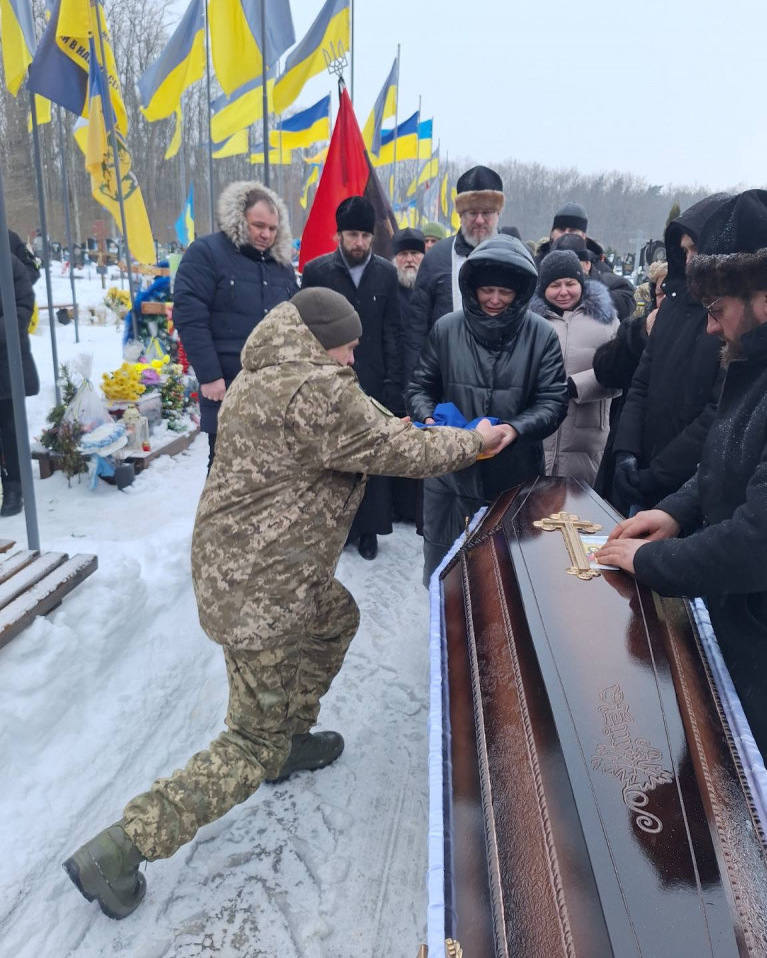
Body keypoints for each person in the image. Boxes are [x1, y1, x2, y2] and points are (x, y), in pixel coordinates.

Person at [63, 287, 507, 919]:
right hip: (265, 590)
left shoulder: (266, 371)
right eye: (349, 348)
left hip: (248, 572)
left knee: (336, 617)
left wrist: (400, 427)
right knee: (247, 743)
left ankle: (290, 735)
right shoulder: (318, 390)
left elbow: (367, 432)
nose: (353, 360)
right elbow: (399, 452)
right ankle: (121, 848)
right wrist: (477, 441)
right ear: (323, 343)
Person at [594, 189, 767, 847]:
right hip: (753, 644)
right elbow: (726, 460)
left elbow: (765, 541)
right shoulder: (761, 360)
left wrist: (650, 562)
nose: (707, 326)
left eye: (716, 308)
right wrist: (672, 513)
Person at [407, 234, 569, 584]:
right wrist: (431, 420)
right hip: (449, 475)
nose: (494, 300)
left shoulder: (541, 336)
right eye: (487, 290)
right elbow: (420, 386)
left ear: (521, 292)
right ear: (472, 287)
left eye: (505, 292)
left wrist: (514, 428)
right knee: (445, 572)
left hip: (513, 477)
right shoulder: (446, 329)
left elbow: (554, 401)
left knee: (504, 578)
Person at [611, 194, 731, 514]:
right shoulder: (672, 306)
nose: (690, 259)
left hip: (691, 491)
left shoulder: (733, 316)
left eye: (697, 249)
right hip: (642, 474)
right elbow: (641, 384)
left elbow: (718, 411)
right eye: (685, 251)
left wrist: (659, 473)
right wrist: (625, 452)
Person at [301, 196, 403, 561]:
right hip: (330, 380)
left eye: (364, 234)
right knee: (335, 457)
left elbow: (394, 330)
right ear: (338, 235)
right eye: (351, 234)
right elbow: (306, 329)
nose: (358, 242)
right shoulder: (317, 272)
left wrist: (394, 381)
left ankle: (371, 529)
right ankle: (342, 526)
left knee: (372, 455)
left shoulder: (386, 274)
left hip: (374, 379)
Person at [172, 180, 297, 470]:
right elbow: (190, 315)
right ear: (240, 219)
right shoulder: (206, 253)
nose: (266, 234)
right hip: (226, 387)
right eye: (258, 225)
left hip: (275, 393)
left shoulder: (282, 267)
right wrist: (209, 375)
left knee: (270, 474)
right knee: (225, 475)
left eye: (272, 228)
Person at [404, 166, 505, 380]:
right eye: (472, 213)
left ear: (498, 213)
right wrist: (414, 393)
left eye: (486, 212)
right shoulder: (436, 259)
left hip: (505, 380)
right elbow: (416, 331)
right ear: (460, 214)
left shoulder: (517, 257)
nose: (479, 220)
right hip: (446, 379)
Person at [529, 248, 619, 481]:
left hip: (587, 441)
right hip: (538, 433)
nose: (563, 292)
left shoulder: (606, 320)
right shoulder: (529, 322)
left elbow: (621, 374)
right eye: (554, 285)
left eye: (570, 283)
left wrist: (575, 386)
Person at [593, 260, 667, 500]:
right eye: (661, 293)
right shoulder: (640, 326)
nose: (666, 300)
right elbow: (606, 371)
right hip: (628, 448)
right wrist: (641, 333)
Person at [0, 251, 39, 517]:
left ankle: (15, 486)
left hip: (5, 361)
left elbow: (23, 306)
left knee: (11, 427)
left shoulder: (9, 263)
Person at [548, 203, 635, 320]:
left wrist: (583, 284)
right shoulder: (534, 263)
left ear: (583, 235)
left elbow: (625, 301)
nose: (566, 234)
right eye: (561, 230)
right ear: (552, 233)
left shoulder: (601, 269)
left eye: (572, 230)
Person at [392, 227, 426, 328]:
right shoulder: (388, 290)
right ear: (395, 259)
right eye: (403, 254)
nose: (409, 259)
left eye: (414, 253)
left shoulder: (432, 288)